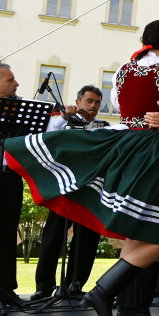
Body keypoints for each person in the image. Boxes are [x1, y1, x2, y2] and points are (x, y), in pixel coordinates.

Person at [0, 21, 159, 316]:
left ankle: (139, 300)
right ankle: (107, 292)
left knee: (138, 230)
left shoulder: (122, 72)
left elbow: (120, 105)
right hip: (157, 149)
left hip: (126, 145)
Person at [30, 85, 107, 302]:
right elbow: (45, 138)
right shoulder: (64, 123)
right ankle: (44, 286)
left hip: (92, 191)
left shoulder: (105, 127)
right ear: (78, 101)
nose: (92, 106)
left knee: (87, 239)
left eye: (97, 102)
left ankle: (75, 284)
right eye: (89, 101)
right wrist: (64, 118)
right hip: (63, 188)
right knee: (53, 236)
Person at [0, 62, 28, 310]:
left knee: (7, 228)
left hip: (9, 174)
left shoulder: (19, 109)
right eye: (11, 80)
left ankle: (4, 288)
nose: (16, 84)